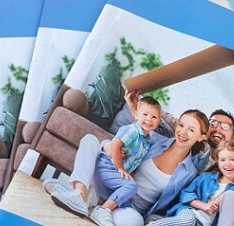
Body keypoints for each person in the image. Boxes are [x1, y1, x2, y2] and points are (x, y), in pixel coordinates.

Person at [45, 90, 209, 226]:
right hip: (114, 184)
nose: (183, 132)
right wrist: (108, 146)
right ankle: (80, 195)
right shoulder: (155, 140)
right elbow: (131, 134)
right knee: (90, 140)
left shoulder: (190, 173)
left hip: (128, 207)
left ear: (201, 137)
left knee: (134, 222)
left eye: (191, 130)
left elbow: (181, 201)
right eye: (181, 125)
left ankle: (91, 202)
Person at [146, 141, 234, 226]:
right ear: (217, 163)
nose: (228, 164)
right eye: (223, 160)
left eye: (232, 159)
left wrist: (228, 196)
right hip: (191, 213)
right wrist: (205, 206)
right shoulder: (206, 178)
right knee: (188, 221)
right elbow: (186, 194)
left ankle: (158, 220)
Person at [90, 97, 162, 224]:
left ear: (158, 121)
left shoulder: (148, 141)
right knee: (131, 187)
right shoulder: (133, 130)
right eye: (145, 114)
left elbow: (134, 161)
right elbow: (115, 145)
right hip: (108, 165)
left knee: (126, 204)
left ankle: (95, 201)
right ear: (136, 115)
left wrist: (129, 173)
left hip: (116, 172)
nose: (149, 119)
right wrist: (120, 168)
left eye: (154, 117)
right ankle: (102, 210)